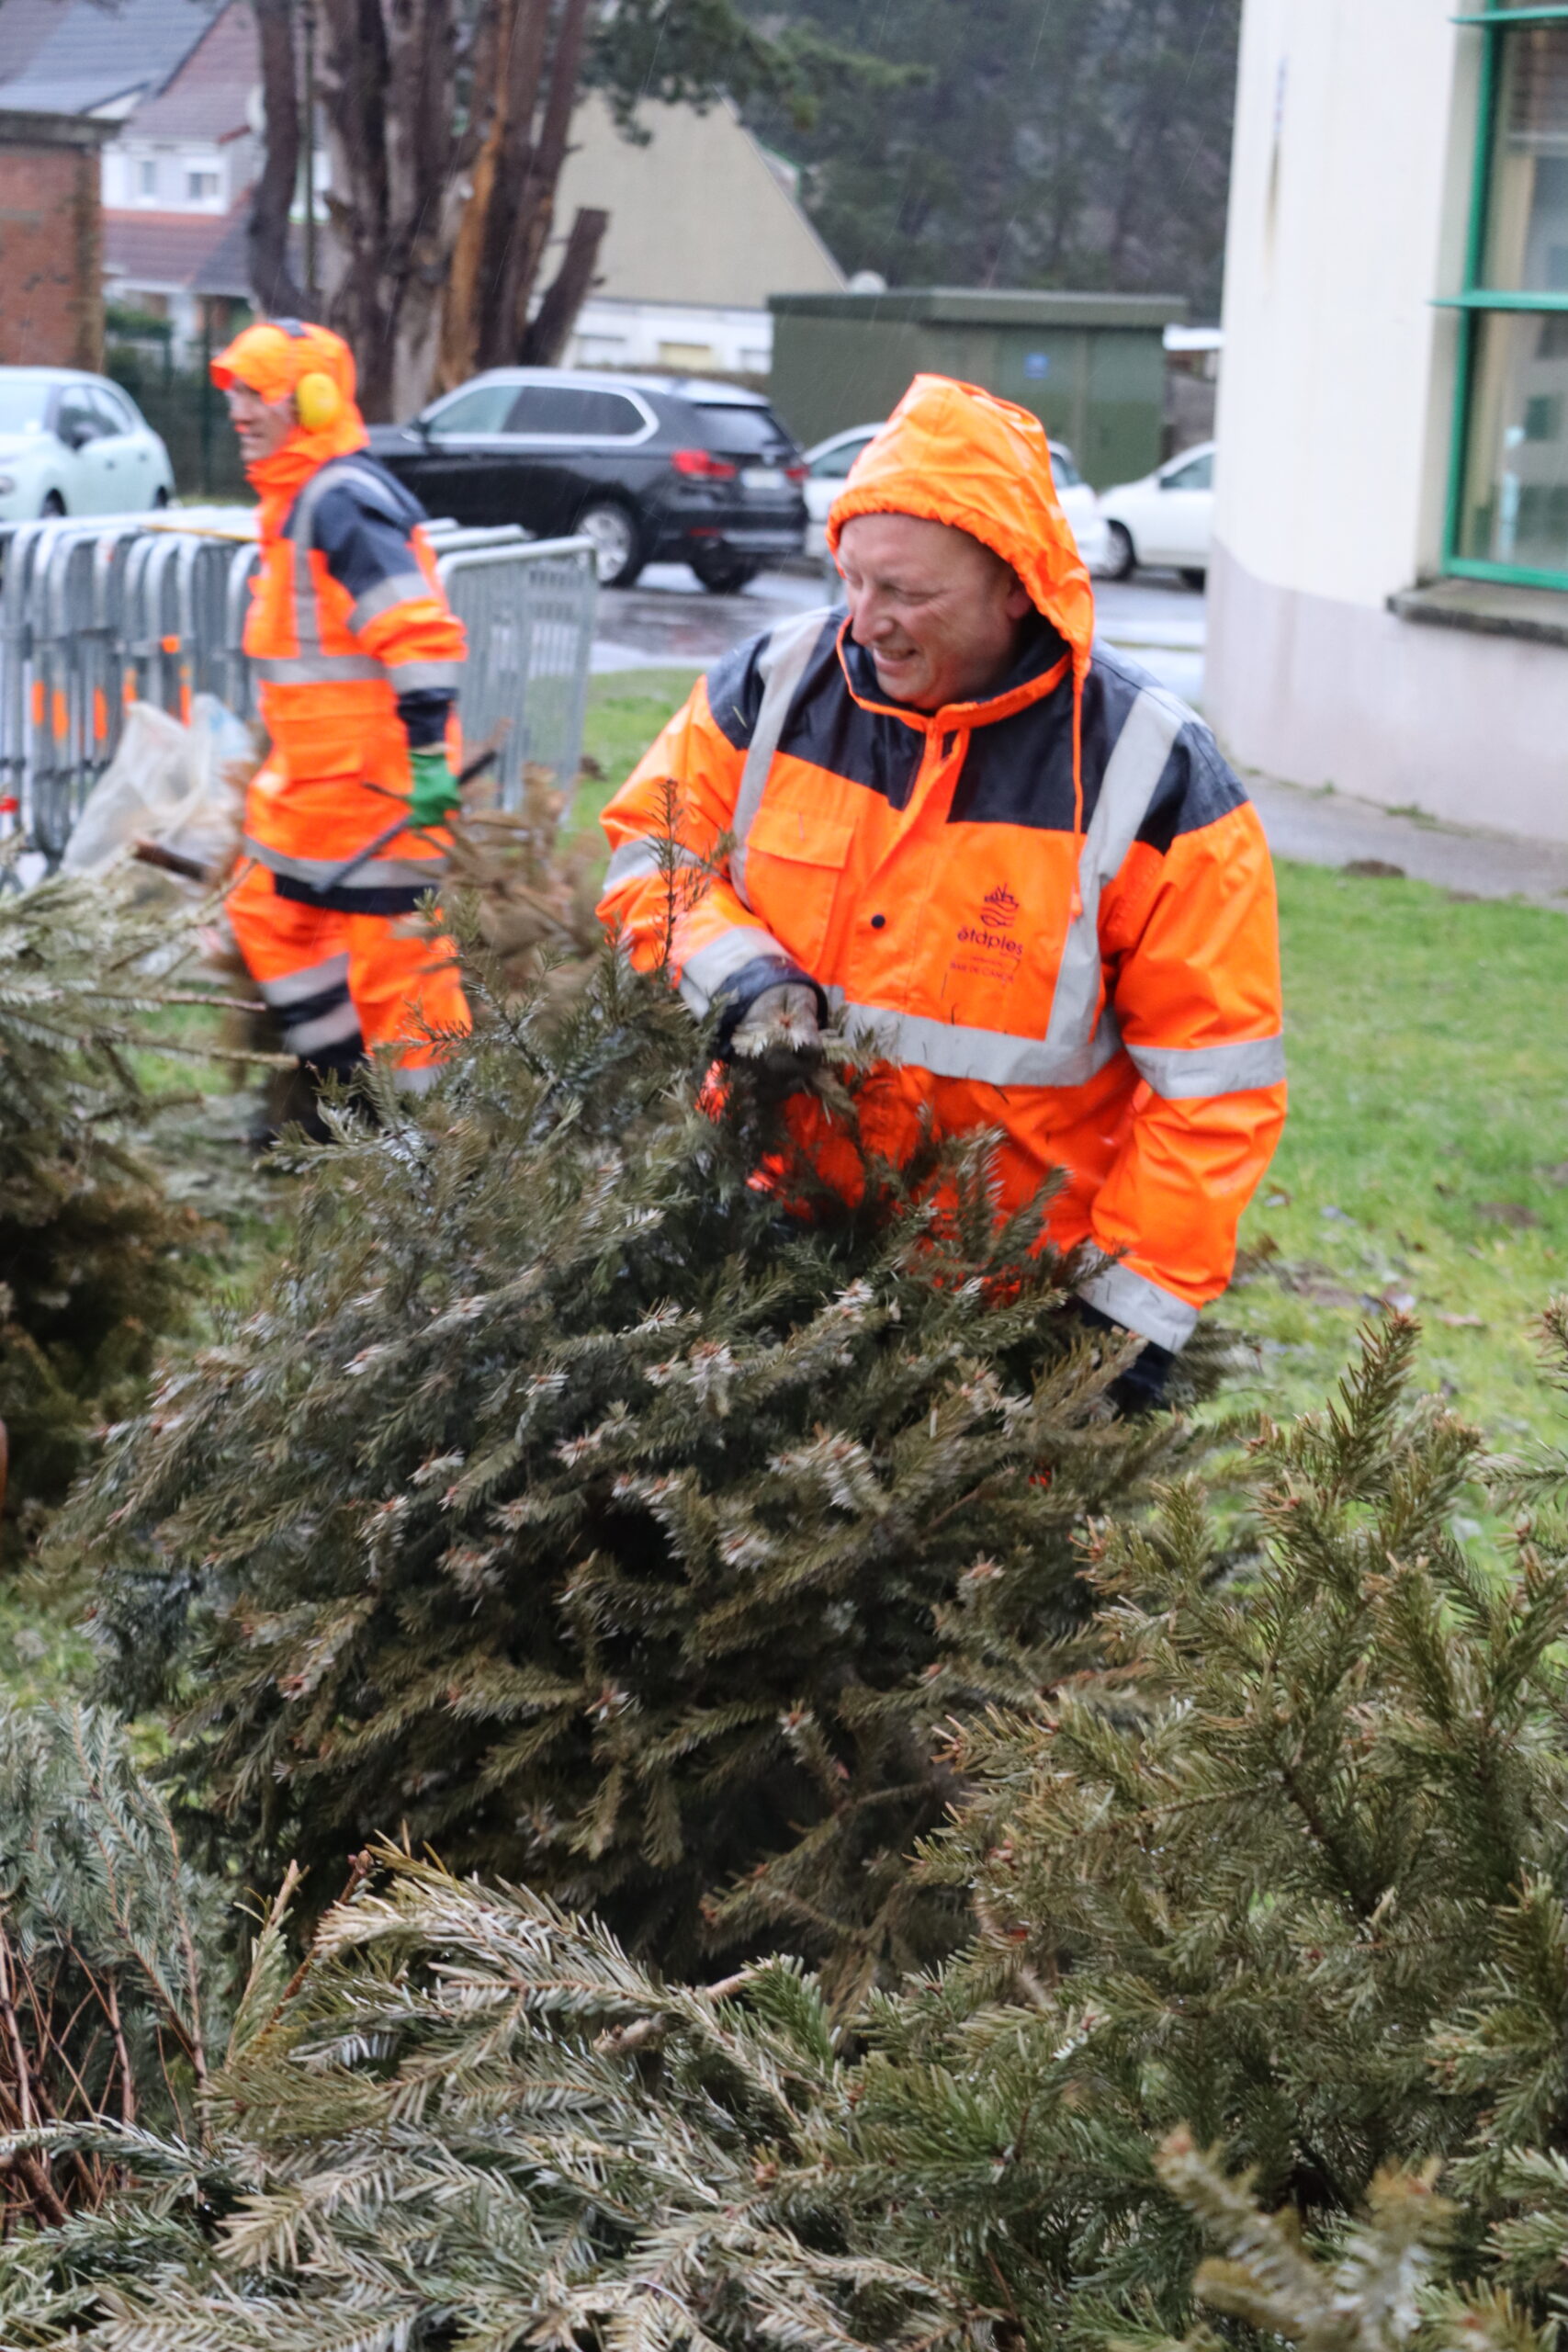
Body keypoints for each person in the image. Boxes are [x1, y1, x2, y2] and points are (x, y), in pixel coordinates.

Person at [596, 373, 1287, 1411]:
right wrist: (738, 974)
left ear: (1016, 586)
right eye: (851, 578)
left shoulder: (1150, 774)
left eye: (908, 593)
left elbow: (1213, 1084)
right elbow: (650, 859)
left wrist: (1121, 1326)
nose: (866, 620)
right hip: (760, 1249)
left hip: (1005, 1308)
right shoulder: (772, 688)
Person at [210, 318, 469, 1131]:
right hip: (315, 786)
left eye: (256, 393)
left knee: (402, 969)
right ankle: (351, 1100)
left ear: (314, 400)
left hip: (380, 784)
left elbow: (418, 634)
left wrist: (427, 761)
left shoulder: (342, 502)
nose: (238, 411)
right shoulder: (303, 502)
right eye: (234, 394)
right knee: (265, 910)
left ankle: (438, 1146)